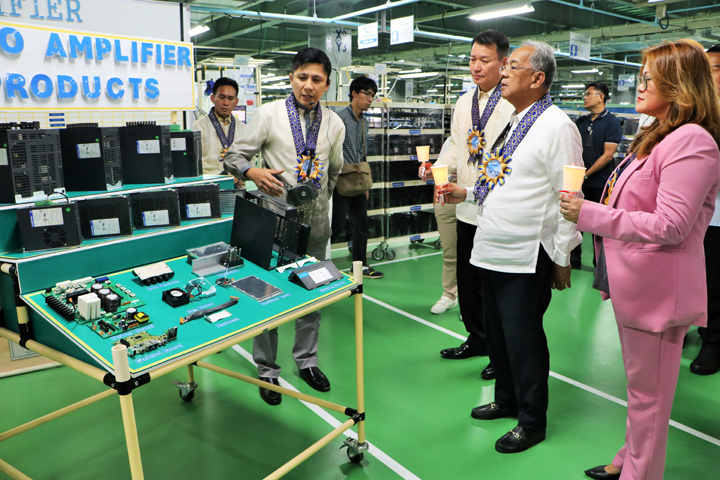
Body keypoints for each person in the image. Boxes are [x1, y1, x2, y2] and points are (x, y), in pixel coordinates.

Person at [560, 39, 720, 480]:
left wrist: (590, 214)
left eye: (650, 77)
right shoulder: (661, 132)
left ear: (680, 83)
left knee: (648, 394)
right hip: (640, 283)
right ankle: (629, 455)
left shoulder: (691, 141)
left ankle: (641, 472)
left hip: (657, 291)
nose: (640, 84)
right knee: (641, 389)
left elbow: (671, 225)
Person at [441, 40, 583, 453]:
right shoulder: (515, 121)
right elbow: (501, 181)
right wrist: (464, 193)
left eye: (512, 67)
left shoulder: (558, 127)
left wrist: (562, 256)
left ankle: (532, 420)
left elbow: (567, 199)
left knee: (523, 341)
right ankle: (505, 400)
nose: (502, 72)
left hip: (525, 253)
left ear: (537, 78)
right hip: (491, 246)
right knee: (499, 337)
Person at [224, 48, 345, 405]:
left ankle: (307, 360)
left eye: (317, 80)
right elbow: (234, 155)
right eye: (303, 77)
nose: (309, 86)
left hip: (316, 223)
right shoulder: (269, 114)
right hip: (275, 222)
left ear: (326, 84)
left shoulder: (334, 124)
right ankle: (266, 369)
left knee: (313, 292)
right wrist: (252, 172)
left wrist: (320, 202)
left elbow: (335, 170)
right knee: (267, 295)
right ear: (291, 77)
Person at [429, 31, 515, 371]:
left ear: (503, 63)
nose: (476, 67)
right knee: (466, 279)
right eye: (472, 59)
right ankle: (476, 338)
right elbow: (455, 144)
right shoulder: (465, 102)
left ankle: (498, 350)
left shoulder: (512, 103)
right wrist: (437, 168)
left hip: (495, 208)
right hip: (463, 205)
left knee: (490, 285)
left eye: (484, 60)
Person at [330, 75, 383, 279]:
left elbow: (362, 153)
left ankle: (360, 266)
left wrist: (365, 184)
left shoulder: (364, 123)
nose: (370, 99)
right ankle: (321, 263)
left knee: (362, 225)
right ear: (354, 93)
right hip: (341, 180)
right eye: (367, 94)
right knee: (336, 226)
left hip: (358, 181)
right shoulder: (339, 118)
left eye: (373, 96)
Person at [570, 82, 623, 269]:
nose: (584, 97)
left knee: (596, 224)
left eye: (588, 94)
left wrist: (586, 174)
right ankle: (573, 261)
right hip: (578, 181)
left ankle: (598, 265)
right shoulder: (580, 123)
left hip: (599, 182)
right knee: (574, 221)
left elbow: (608, 154)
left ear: (601, 97)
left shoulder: (612, 123)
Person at [691, 43, 720, 375]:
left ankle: (713, 341)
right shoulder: (691, 108)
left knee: (714, 279)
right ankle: (680, 326)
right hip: (686, 213)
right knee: (686, 274)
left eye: (714, 67)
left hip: (716, 216)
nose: (708, 74)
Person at [430, 136, 458, 315]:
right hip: (446, 201)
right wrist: (436, 200)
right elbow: (439, 171)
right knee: (450, 253)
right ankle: (450, 294)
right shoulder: (450, 142)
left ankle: (474, 302)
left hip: (472, 201)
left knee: (474, 254)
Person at [194, 77, 247, 175]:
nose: (226, 103)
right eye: (221, 97)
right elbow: (195, 161)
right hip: (210, 184)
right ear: (213, 98)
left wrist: (240, 174)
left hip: (237, 184)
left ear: (236, 102)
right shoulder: (198, 128)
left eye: (230, 98)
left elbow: (249, 158)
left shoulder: (243, 129)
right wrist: (219, 176)